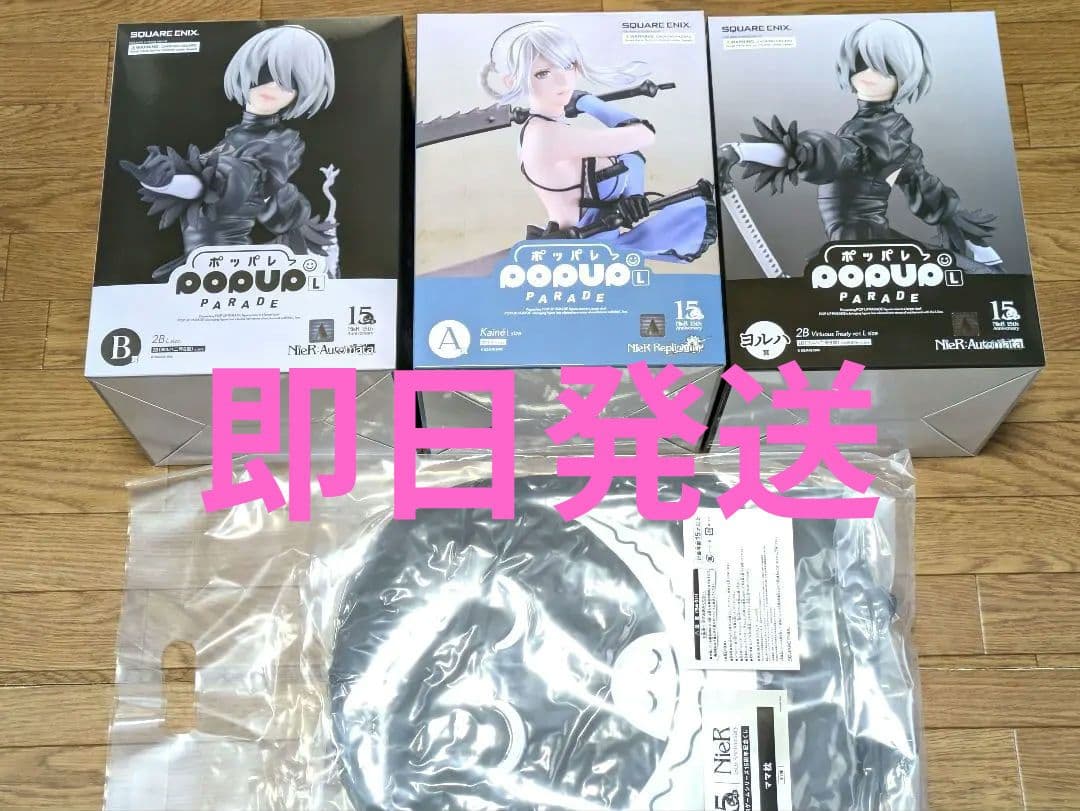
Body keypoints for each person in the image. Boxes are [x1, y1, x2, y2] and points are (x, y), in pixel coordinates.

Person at [717, 18, 1005, 273]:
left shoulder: (885, 135)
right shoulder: (881, 132)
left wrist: (973, 243)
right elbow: (823, 153)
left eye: (884, 67)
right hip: (861, 248)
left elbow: (920, 186)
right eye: (861, 62)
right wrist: (741, 152)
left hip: (866, 249)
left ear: (903, 76)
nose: (868, 73)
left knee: (974, 277)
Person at [482, 21, 716, 263]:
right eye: (543, 73)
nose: (563, 81)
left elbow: (631, 155)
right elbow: (644, 134)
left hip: (600, 251)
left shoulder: (546, 129)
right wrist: (588, 103)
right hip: (582, 258)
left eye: (568, 66)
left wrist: (634, 196)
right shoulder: (548, 136)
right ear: (513, 81)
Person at [121, 25, 337, 281]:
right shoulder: (234, 137)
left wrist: (174, 182)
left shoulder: (278, 144)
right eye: (264, 72)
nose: (272, 86)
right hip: (206, 265)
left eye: (289, 82)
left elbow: (232, 181)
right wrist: (165, 182)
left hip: (229, 267)